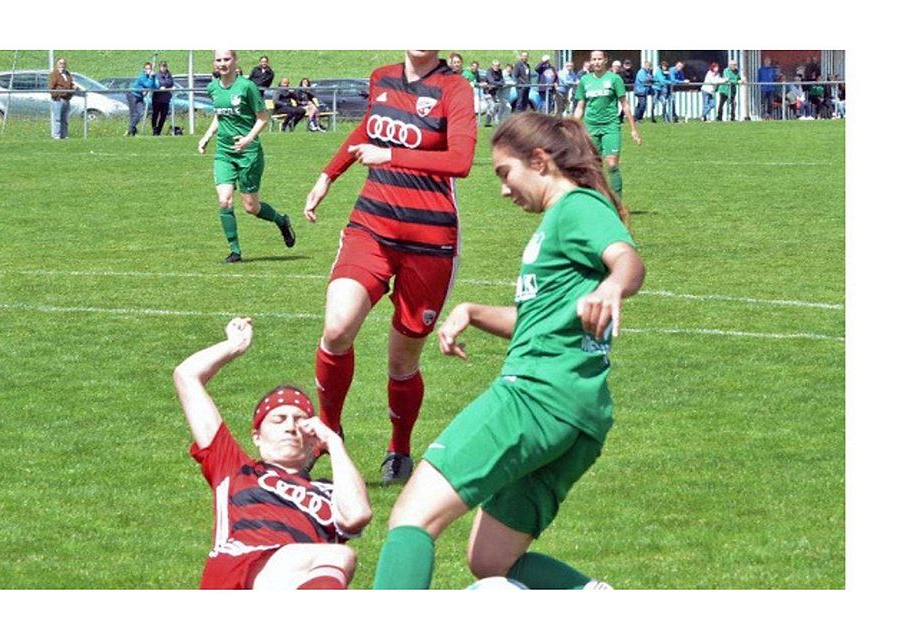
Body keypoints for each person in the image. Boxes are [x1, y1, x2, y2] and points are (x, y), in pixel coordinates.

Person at [370, 112, 646, 590]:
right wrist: (475, 311)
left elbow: (627, 259)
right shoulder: (565, 218)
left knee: (412, 517)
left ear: (539, 161)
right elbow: (540, 321)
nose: (502, 190)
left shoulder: (577, 206)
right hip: (577, 414)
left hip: (534, 397)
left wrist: (614, 287)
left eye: (504, 174)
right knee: (491, 560)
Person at [303, 50, 476, 485]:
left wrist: (392, 155)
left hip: (430, 241)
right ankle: (329, 432)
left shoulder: (455, 88)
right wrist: (329, 174)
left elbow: (461, 161)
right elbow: (368, 128)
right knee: (337, 328)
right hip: (371, 227)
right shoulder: (381, 77)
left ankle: (398, 449)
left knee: (402, 363)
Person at [174, 316, 372, 589]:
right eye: (278, 420)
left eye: (299, 421)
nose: (290, 427)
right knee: (339, 555)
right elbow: (186, 376)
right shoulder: (234, 466)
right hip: (237, 566)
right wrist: (233, 345)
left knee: (337, 559)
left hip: (294, 578)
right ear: (257, 436)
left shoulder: (328, 493)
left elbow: (357, 516)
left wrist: (334, 442)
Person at [198, 50, 296, 264]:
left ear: (235, 61)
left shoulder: (246, 87)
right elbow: (220, 114)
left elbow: (263, 117)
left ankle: (281, 220)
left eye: (226, 59)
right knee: (224, 201)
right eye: (218, 60)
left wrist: (248, 139)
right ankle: (235, 252)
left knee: (251, 207)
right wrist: (206, 136)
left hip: (248, 153)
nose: (222, 63)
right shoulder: (213, 87)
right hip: (224, 152)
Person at [573, 50, 642, 202]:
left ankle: (617, 203)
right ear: (590, 61)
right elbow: (580, 107)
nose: (596, 62)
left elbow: (624, 104)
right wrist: (572, 127)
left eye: (599, 59)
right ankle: (596, 201)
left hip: (611, 126)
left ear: (605, 60)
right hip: (591, 127)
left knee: (612, 164)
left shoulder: (614, 79)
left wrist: (633, 129)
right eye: (593, 59)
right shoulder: (585, 81)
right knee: (593, 167)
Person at [47, 57, 77, 140]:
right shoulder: (54, 74)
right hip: (58, 99)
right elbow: (51, 87)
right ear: (57, 64)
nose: (62, 65)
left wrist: (73, 88)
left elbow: (70, 84)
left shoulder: (67, 74)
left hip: (67, 99)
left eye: (64, 63)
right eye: (60, 63)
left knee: (65, 119)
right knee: (57, 118)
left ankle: (64, 135)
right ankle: (56, 135)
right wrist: (56, 96)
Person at [126, 62, 158, 136]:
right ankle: (129, 130)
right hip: (132, 95)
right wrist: (150, 77)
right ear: (144, 69)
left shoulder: (151, 76)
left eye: (149, 68)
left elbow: (155, 86)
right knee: (134, 115)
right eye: (147, 69)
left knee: (141, 113)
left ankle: (131, 130)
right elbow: (147, 84)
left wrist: (153, 77)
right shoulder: (142, 76)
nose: (148, 70)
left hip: (139, 97)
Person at [151, 60, 175, 136]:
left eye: (164, 66)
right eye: (162, 66)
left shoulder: (169, 74)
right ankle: (154, 129)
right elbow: (157, 83)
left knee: (163, 116)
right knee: (155, 115)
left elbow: (170, 83)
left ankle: (159, 130)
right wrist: (162, 86)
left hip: (166, 99)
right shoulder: (156, 75)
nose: (163, 68)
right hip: (157, 98)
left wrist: (165, 86)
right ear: (160, 67)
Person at [483, 60, 505, 125]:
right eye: (495, 66)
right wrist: (499, 83)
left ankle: (494, 122)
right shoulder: (489, 71)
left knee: (498, 106)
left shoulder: (500, 71)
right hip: (488, 92)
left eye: (498, 66)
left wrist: (498, 83)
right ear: (492, 65)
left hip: (495, 92)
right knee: (492, 106)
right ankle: (488, 122)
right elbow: (491, 81)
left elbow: (502, 81)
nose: (496, 67)